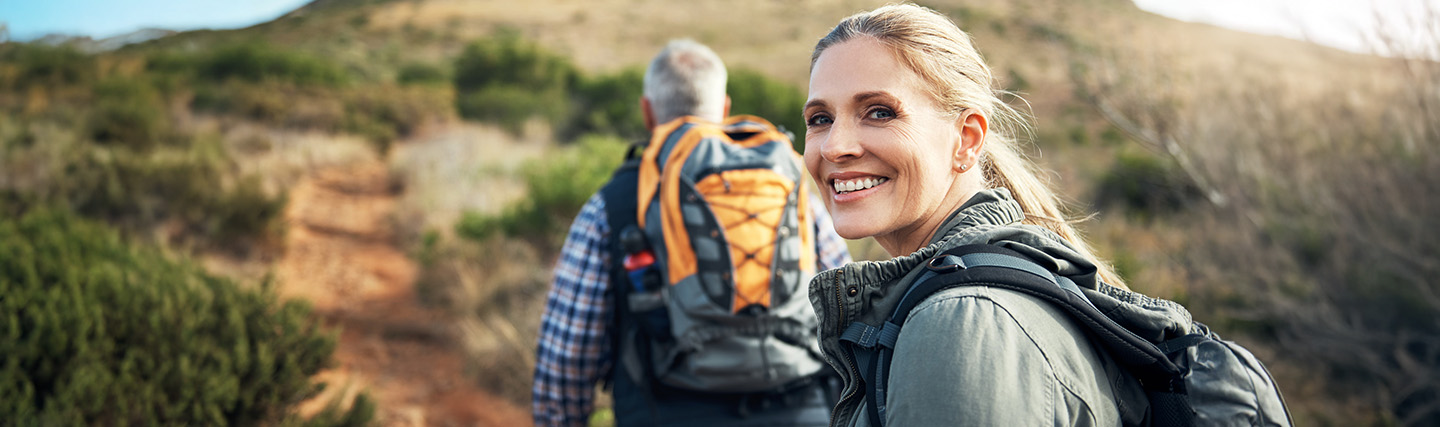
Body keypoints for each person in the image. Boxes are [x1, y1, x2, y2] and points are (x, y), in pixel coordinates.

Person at [801, 4, 1192, 426]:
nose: (834, 146)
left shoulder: (959, 325)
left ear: (966, 139)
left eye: (880, 112)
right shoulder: (987, 287)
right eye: (820, 118)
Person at [533, 39, 852, 427]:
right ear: (723, 109)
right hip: (805, 409)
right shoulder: (788, 185)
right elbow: (844, 305)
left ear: (648, 112)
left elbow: (567, 353)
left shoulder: (613, 204)